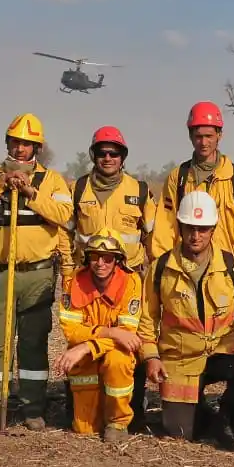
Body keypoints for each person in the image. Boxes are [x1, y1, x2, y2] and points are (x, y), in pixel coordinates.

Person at [138, 191, 234, 450]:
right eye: (190, 228)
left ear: (213, 229)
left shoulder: (231, 265)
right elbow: (146, 319)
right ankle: (204, 412)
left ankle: (228, 416)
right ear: (179, 227)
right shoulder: (161, 269)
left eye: (202, 229)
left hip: (222, 351)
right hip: (180, 358)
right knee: (181, 432)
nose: (196, 236)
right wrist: (151, 357)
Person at [0, 112, 74, 430]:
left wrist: (30, 194)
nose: (20, 149)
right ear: (7, 143)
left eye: (27, 144)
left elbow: (63, 214)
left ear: (37, 147)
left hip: (37, 274)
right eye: (15, 142)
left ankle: (33, 408)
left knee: (33, 343)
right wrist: (1, 184)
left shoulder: (52, 180)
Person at [65, 125, 156, 429]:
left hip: (129, 279)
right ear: (94, 155)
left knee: (130, 345)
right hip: (89, 278)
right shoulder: (78, 188)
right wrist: (68, 270)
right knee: (87, 338)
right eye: (102, 153)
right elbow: (65, 233)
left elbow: (153, 237)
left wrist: (152, 277)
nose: (108, 158)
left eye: (114, 153)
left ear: (122, 157)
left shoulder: (139, 191)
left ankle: (132, 410)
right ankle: (81, 406)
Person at [150, 102, 234, 271]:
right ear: (190, 136)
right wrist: (163, 272)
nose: (203, 142)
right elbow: (164, 233)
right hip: (187, 271)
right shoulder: (178, 178)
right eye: (198, 136)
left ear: (219, 135)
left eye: (209, 136)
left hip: (228, 273)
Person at [57, 228, 142, 443]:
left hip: (110, 350)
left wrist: (86, 346)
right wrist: (111, 332)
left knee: (118, 360)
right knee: (84, 429)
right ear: (87, 259)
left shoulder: (132, 283)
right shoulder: (73, 282)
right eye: (95, 257)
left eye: (108, 258)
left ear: (118, 261)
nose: (100, 263)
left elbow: (128, 336)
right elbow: (71, 331)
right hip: (86, 354)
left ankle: (118, 422)